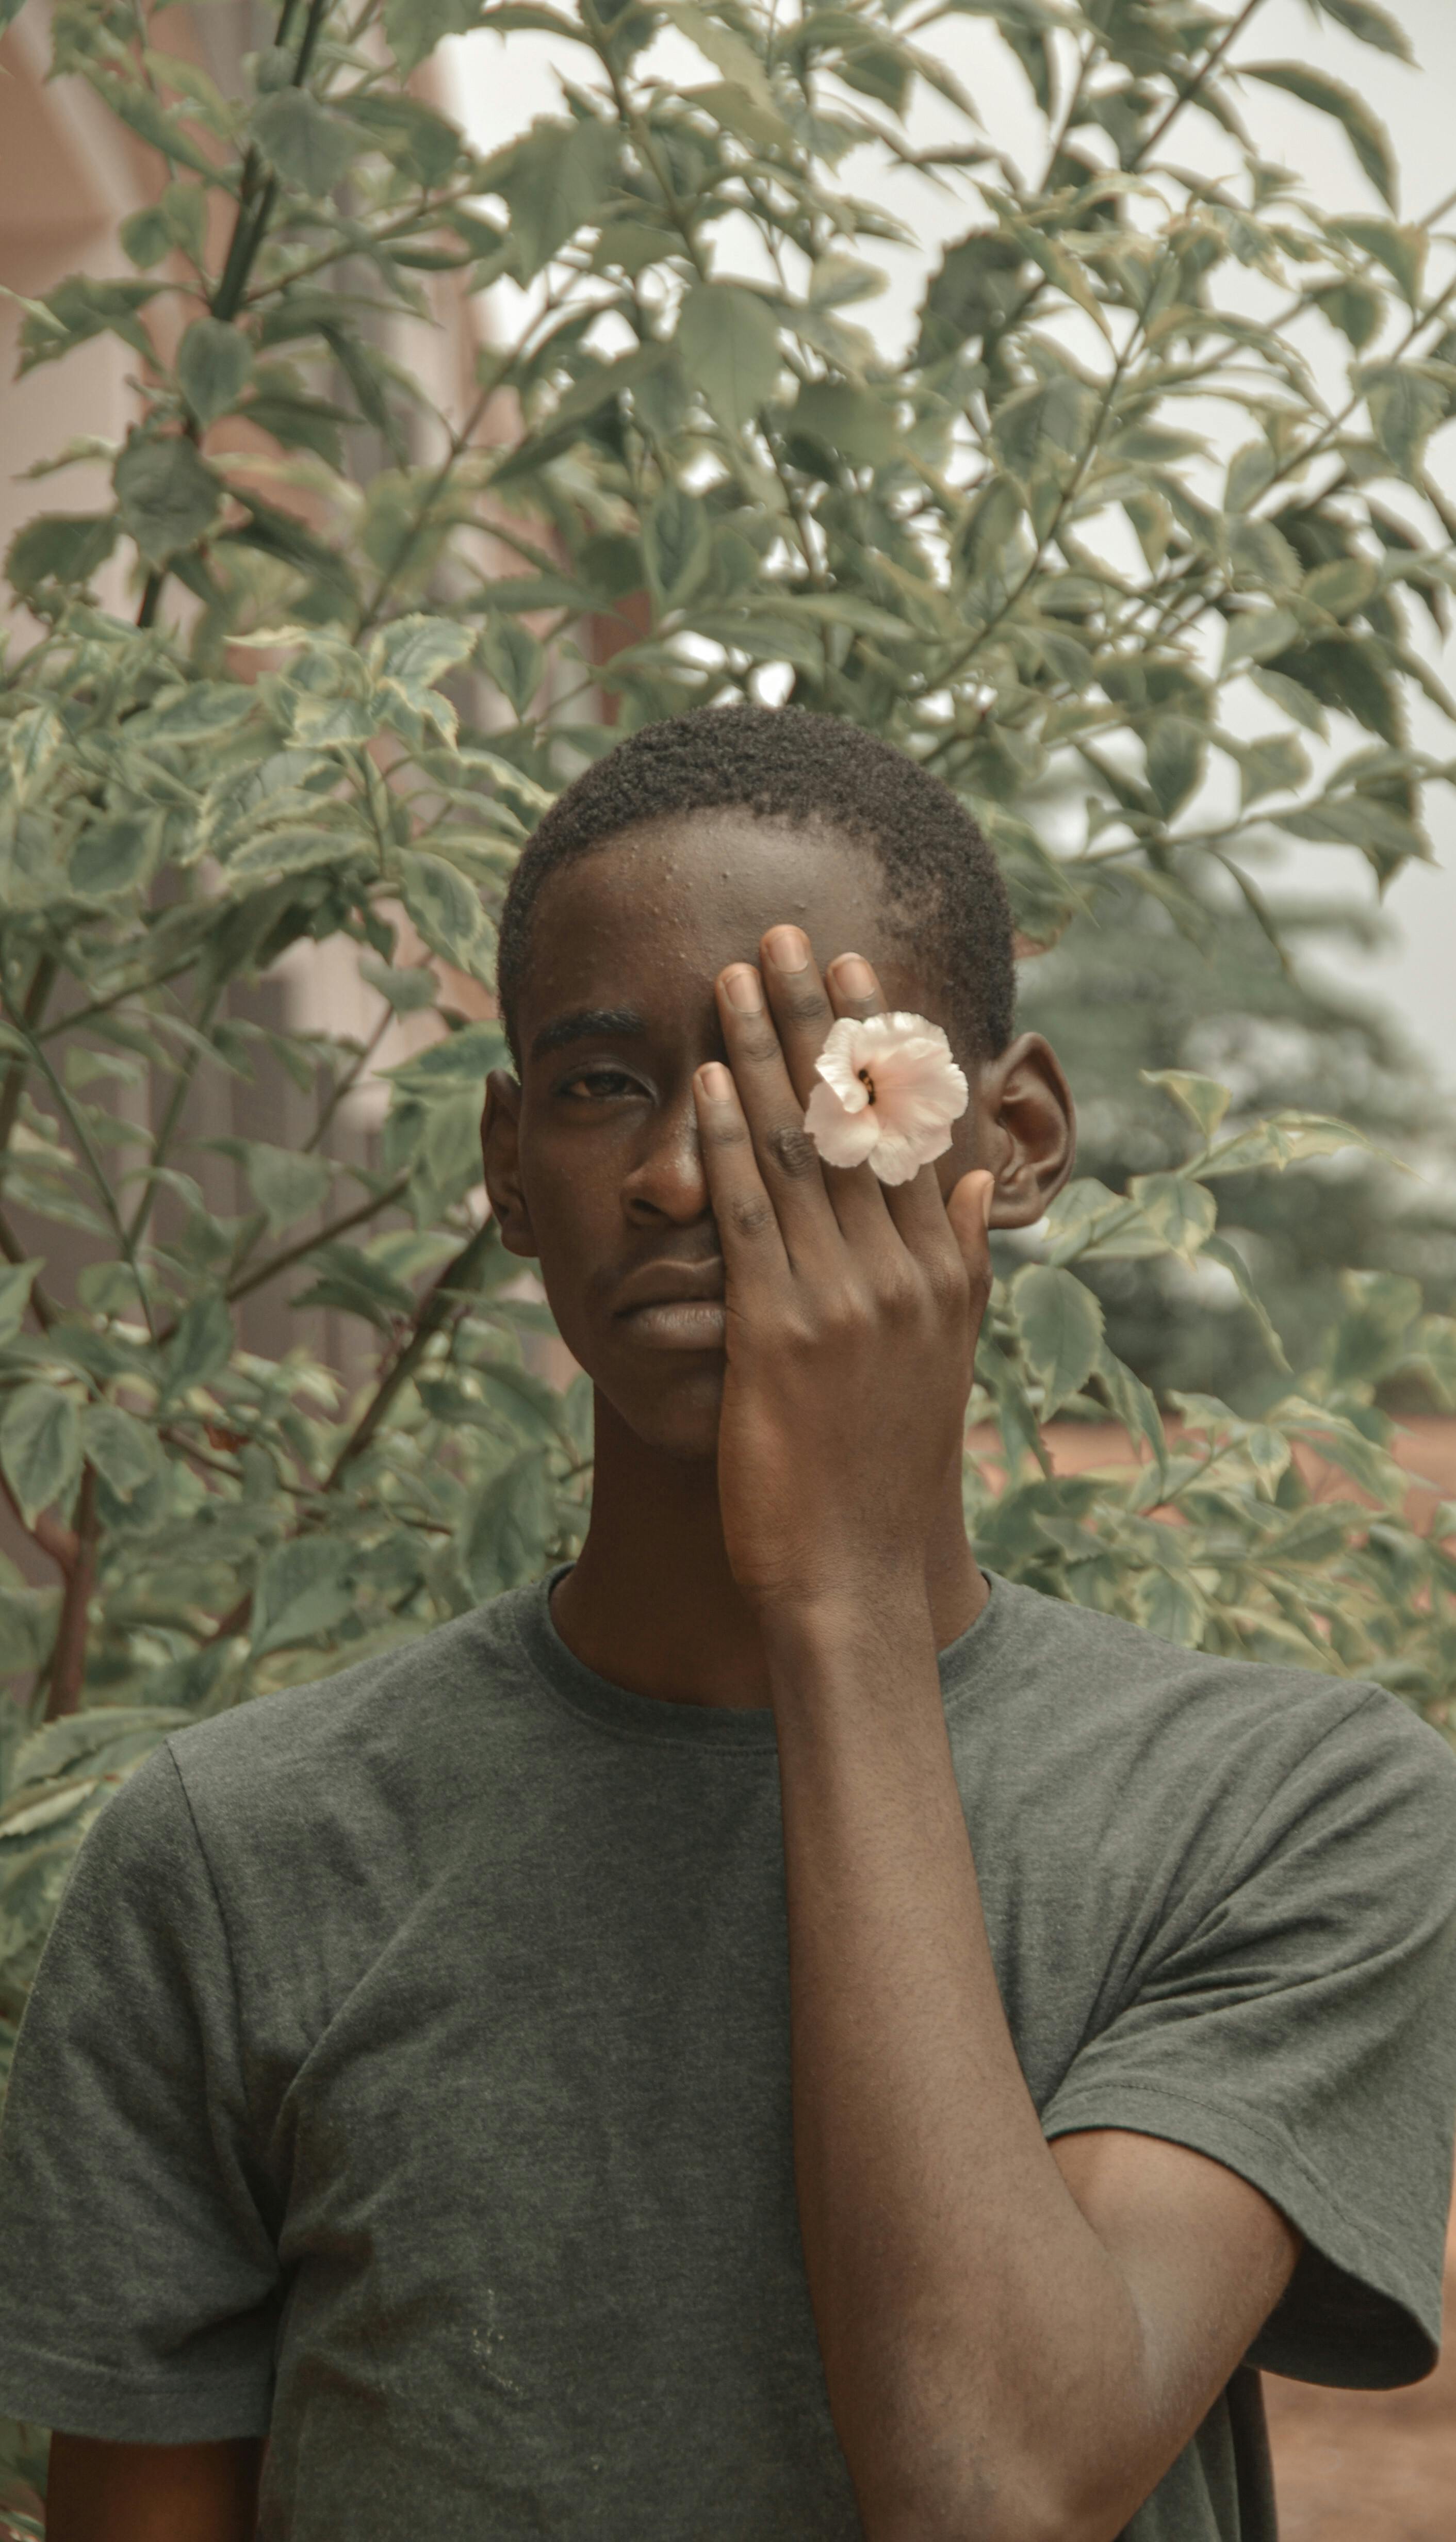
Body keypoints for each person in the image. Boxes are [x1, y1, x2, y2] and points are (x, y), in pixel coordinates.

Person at [2, 704, 1454, 2542]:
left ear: (1010, 1139)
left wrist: (838, 1601)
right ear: (506, 1166)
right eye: (606, 1086)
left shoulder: (1281, 1811)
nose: (690, 1178)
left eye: (816, 1083)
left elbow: (997, 2484)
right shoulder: (237, 1858)